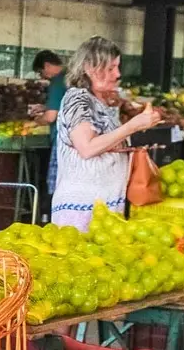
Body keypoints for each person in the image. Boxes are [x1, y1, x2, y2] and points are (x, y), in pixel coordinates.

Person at [50, 35, 161, 231]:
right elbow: (87, 148)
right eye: (110, 68)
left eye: (117, 67)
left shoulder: (100, 101)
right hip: (82, 210)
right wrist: (132, 126)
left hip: (106, 207)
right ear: (88, 68)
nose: (117, 74)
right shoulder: (77, 100)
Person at [29, 49, 67, 193]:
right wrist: (46, 106)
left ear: (46, 65)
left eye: (41, 72)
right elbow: (65, 105)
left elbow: (51, 117)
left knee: (57, 185)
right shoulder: (71, 77)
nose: (42, 76)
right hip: (78, 138)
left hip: (62, 140)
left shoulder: (57, 82)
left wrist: (35, 122)